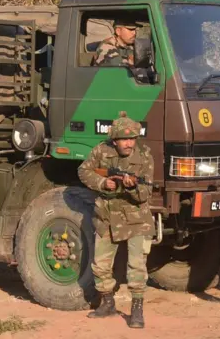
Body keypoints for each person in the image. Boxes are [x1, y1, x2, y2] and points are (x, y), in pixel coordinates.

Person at [77, 111, 154, 329]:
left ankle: (136, 309)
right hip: (107, 216)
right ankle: (107, 303)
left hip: (136, 219)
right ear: (114, 140)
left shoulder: (145, 155)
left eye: (132, 139)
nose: (129, 144)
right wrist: (103, 183)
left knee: (136, 266)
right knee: (100, 265)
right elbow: (83, 171)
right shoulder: (102, 150)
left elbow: (146, 193)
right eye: (124, 140)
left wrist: (132, 187)